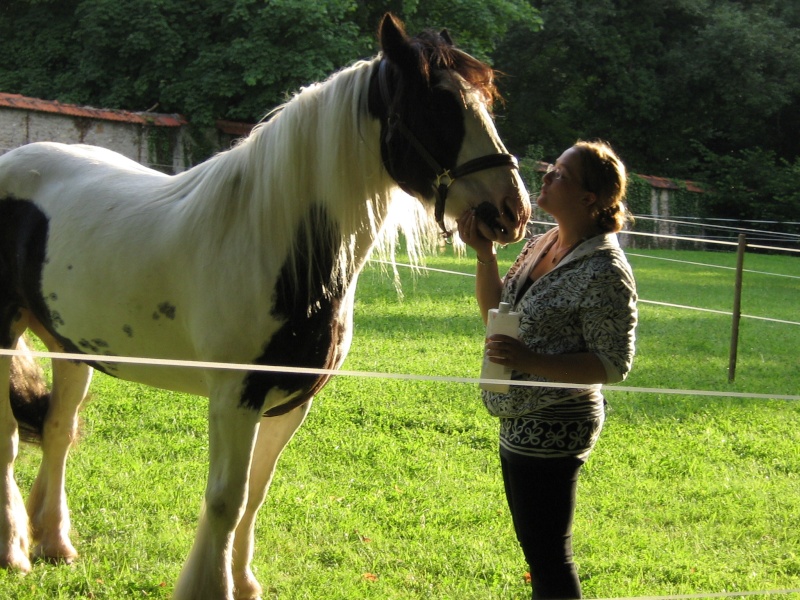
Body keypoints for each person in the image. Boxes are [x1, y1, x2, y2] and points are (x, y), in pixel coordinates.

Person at [457, 140, 638, 599]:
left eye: (559, 173)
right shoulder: (543, 242)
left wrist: (530, 362)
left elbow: (613, 364)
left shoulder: (605, 269)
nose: (545, 177)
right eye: (550, 168)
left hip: (558, 423)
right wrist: (484, 255)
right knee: (536, 551)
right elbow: (498, 315)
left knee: (548, 556)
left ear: (588, 198)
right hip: (516, 418)